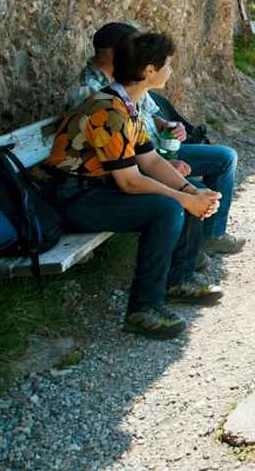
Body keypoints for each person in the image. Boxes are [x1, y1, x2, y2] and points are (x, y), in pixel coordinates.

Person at [35, 32, 224, 339]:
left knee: (182, 193)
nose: (171, 71)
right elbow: (130, 182)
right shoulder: (108, 111)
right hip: (70, 199)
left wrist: (191, 191)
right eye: (168, 65)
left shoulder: (126, 104)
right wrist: (183, 198)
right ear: (149, 71)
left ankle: (177, 281)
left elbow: (150, 162)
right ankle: (142, 310)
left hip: (94, 190)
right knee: (166, 207)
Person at [66, 23, 245, 255]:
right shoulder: (93, 93)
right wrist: (183, 188)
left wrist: (169, 126)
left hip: (149, 152)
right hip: (116, 172)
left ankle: (206, 241)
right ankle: (184, 267)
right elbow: (118, 160)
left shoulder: (127, 86)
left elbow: (149, 114)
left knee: (219, 163)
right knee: (180, 200)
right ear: (118, 53)